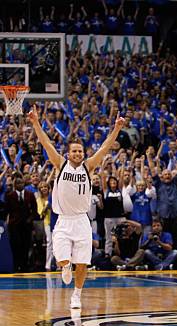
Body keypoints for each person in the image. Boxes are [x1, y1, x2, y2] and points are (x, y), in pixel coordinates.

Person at [28, 105, 125, 309]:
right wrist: (36, 122)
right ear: (68, 153)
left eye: (80, 150)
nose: (78, 153)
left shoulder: (88, 167)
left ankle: (77, 295)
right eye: (74, 151)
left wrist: (116, 129)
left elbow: (105, 147)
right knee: (61, 258)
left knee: (83, 263)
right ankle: (65, 266)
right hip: (63, 220)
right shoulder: (60, 164)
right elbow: (46, 143)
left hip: (82, 220)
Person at [5, 176, 39, 272]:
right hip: (14, 226)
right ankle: (16, 266)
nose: (19, 185)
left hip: (26, 225)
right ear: (14, 185)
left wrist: (30, 219)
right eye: (17, 183)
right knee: (15, 246)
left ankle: (25, 266)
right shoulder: (10, 195)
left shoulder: (30, 194)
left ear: (24, 184)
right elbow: (7, 211)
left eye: (21, 183)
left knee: (26, 246)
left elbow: (34, 210)